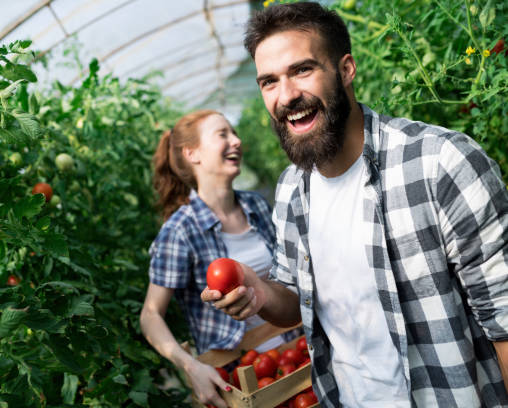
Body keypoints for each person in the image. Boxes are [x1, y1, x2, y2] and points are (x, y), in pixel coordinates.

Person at [201, 2, 508, 407]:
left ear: (346, 69)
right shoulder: (292, 191)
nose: (287, 96)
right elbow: (296, 299)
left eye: (302, 70)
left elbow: (504, 321)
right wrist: (259, 291)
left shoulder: (440, 165)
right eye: (269, 82)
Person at [140, 109, 301, 408]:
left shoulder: (256, 205)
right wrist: (189, 365)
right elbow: (150, 316)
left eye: (234, 133)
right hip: (239, 382)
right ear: (193, 154)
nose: (236, 141)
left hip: (293, 359)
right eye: (222, 134)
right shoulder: (180, 230)